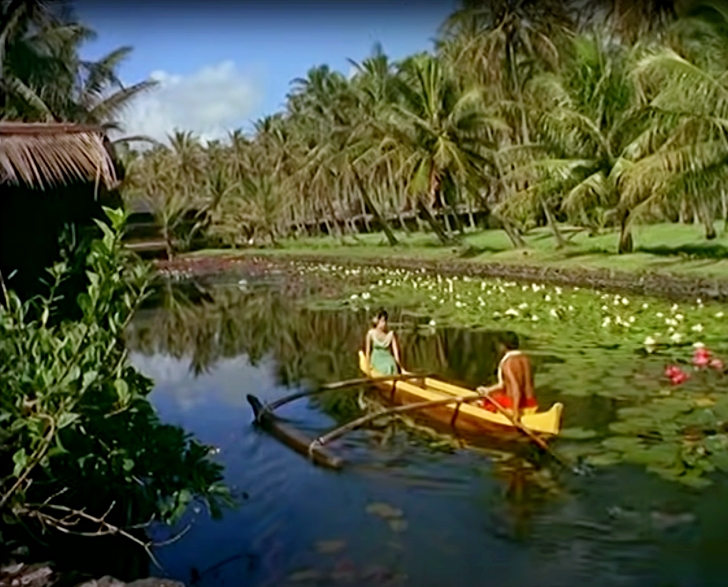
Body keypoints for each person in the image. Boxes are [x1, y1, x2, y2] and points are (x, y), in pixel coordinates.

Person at [477, 332, 537, 421]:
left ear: (502, 346)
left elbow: (515, 387)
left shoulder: (508, 363)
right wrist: (487, 390)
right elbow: (504, 385)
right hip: (532, 405)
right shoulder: (525, 359)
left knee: (480, 403)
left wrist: (515, 413)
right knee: (494, 396)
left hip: (515, 406)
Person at [364, 309, 403, 375]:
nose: (384, 324)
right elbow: (368, 351)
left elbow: (396, 353)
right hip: (377, 358)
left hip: (387, 357)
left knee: (391, 365)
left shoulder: (390, 334)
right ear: (377, 322)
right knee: (386, 367)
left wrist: (400, 366)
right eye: (382, 321)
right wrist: (368, 366)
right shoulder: (371, 333)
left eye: (385, 321)